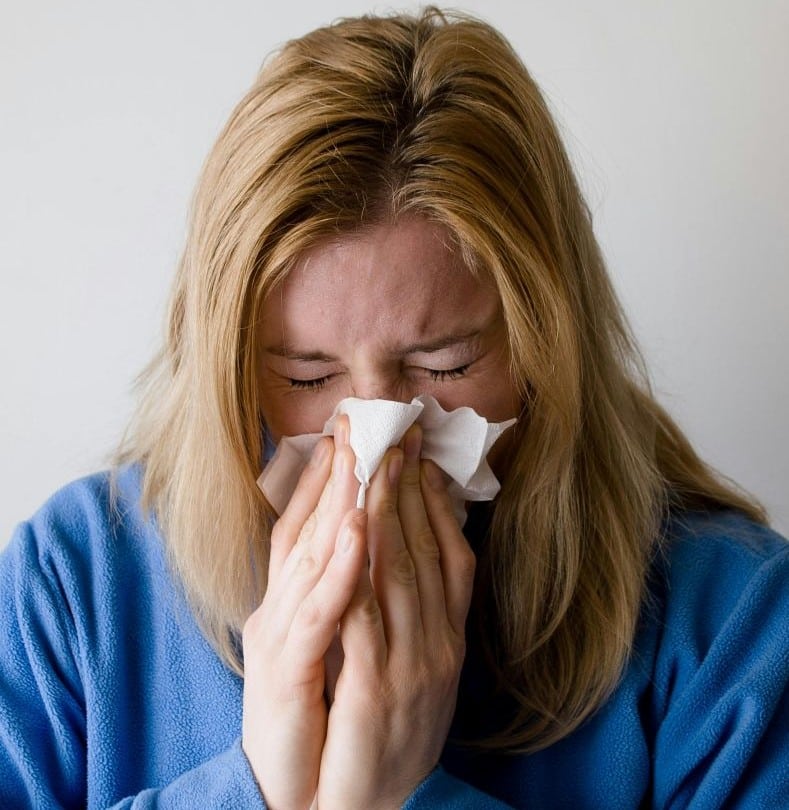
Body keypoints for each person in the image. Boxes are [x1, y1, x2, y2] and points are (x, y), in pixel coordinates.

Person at [1, 8, 787, 809]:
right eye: (306, 375)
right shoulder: (71, 587)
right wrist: (262, 785)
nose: (375, 439)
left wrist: (401, 793)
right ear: (224, 365)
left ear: (547, 342)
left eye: (444, 363)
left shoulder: (732, 624)